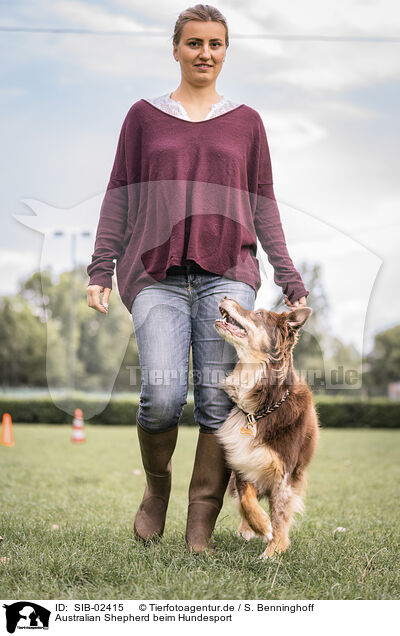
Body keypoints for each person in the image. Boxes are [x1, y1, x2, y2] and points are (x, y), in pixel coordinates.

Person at [86, 4, 309, 554]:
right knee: (161, 395)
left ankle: (200, 520)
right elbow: (119, 194)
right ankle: (156, 491)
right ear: (177, 48)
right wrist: (100, 268)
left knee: (216, 400)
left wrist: (288, 272)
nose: (204, 53)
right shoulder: (142, 116)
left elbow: (264, 203)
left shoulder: (247, 121)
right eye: (194, 43)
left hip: (227, 275)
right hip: (154, 275)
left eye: (215, 44)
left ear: (226, 50)